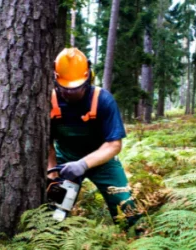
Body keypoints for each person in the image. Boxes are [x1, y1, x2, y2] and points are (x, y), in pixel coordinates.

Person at [47, 47, 141, 229]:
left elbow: (114, 145)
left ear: (88, 78)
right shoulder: (50, 100)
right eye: (65, 89)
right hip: (66, 160)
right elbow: (47, 141)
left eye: (76, 89)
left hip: (102, 160)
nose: (69, 94)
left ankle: (135, 238)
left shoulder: (103, 100)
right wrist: (52, 171)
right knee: (55, 211)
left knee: (126, 205)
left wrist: (83, 164)